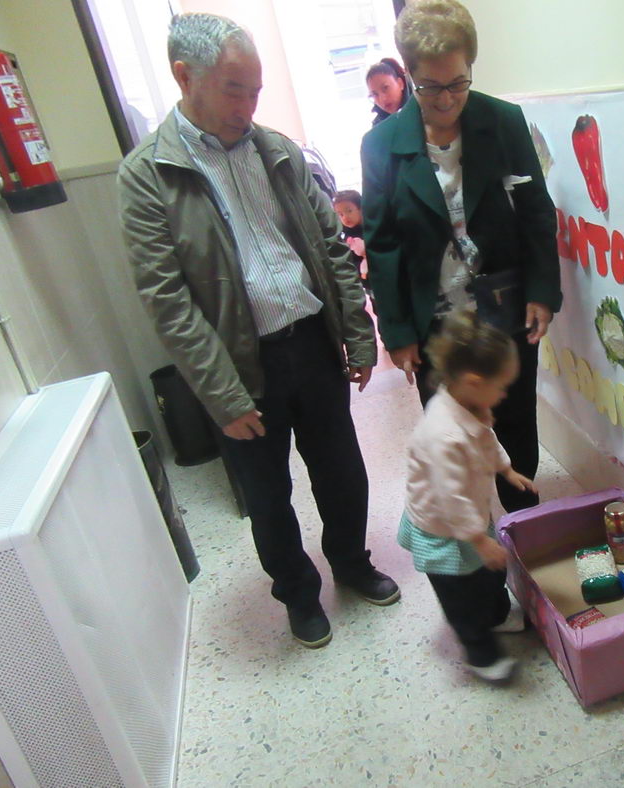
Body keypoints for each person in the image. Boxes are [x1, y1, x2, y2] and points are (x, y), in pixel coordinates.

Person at [117, 13, 399, 650]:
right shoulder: (146, 176)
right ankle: (299, 594)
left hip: (310, 342)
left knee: (343, 471)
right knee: (267, 497)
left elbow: (330, 247)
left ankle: (352, 564)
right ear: (183, 77)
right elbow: (168, 302)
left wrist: (357, 334)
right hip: (240, 367)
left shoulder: (277, 151)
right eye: (232, 90)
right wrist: (223, 394)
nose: (248, 107)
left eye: (255, 92)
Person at [361, 0, 562, 514]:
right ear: (408, 74)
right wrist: (399, 332)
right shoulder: (381, 144)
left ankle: (522, 536)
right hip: (437, 324)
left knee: (515, 426)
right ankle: (476, 552)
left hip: (504, 309)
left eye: (458, 83)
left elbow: (537, 211)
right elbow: (382, 244)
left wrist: (543, 290)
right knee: (454, 436)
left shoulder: (503, 121)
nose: (447, 99)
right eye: (431, 87)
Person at [397, 312, 533, 681]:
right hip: (444, 527)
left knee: (490, 573)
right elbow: (450, 497)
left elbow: (489, 440)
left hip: (470, 517)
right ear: (474, 381)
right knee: (461, 593)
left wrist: (506, 469)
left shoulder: (470, 403)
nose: (505, 394)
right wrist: (477, 540)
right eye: (502, 386)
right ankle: (480, 653)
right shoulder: (443, 435)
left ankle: (497, 614)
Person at [332, 189, 368, 291]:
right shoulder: (345, 234)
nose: (345, 217)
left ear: (360, 208)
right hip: (366, 282)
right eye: (340, 214)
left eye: (349, 211)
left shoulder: (372, 227)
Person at [366, 57, 411, 126]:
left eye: (385, 88)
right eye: (375, 94)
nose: (383, 99)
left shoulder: (421, 106)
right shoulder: (379, 129)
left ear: (400, 84)